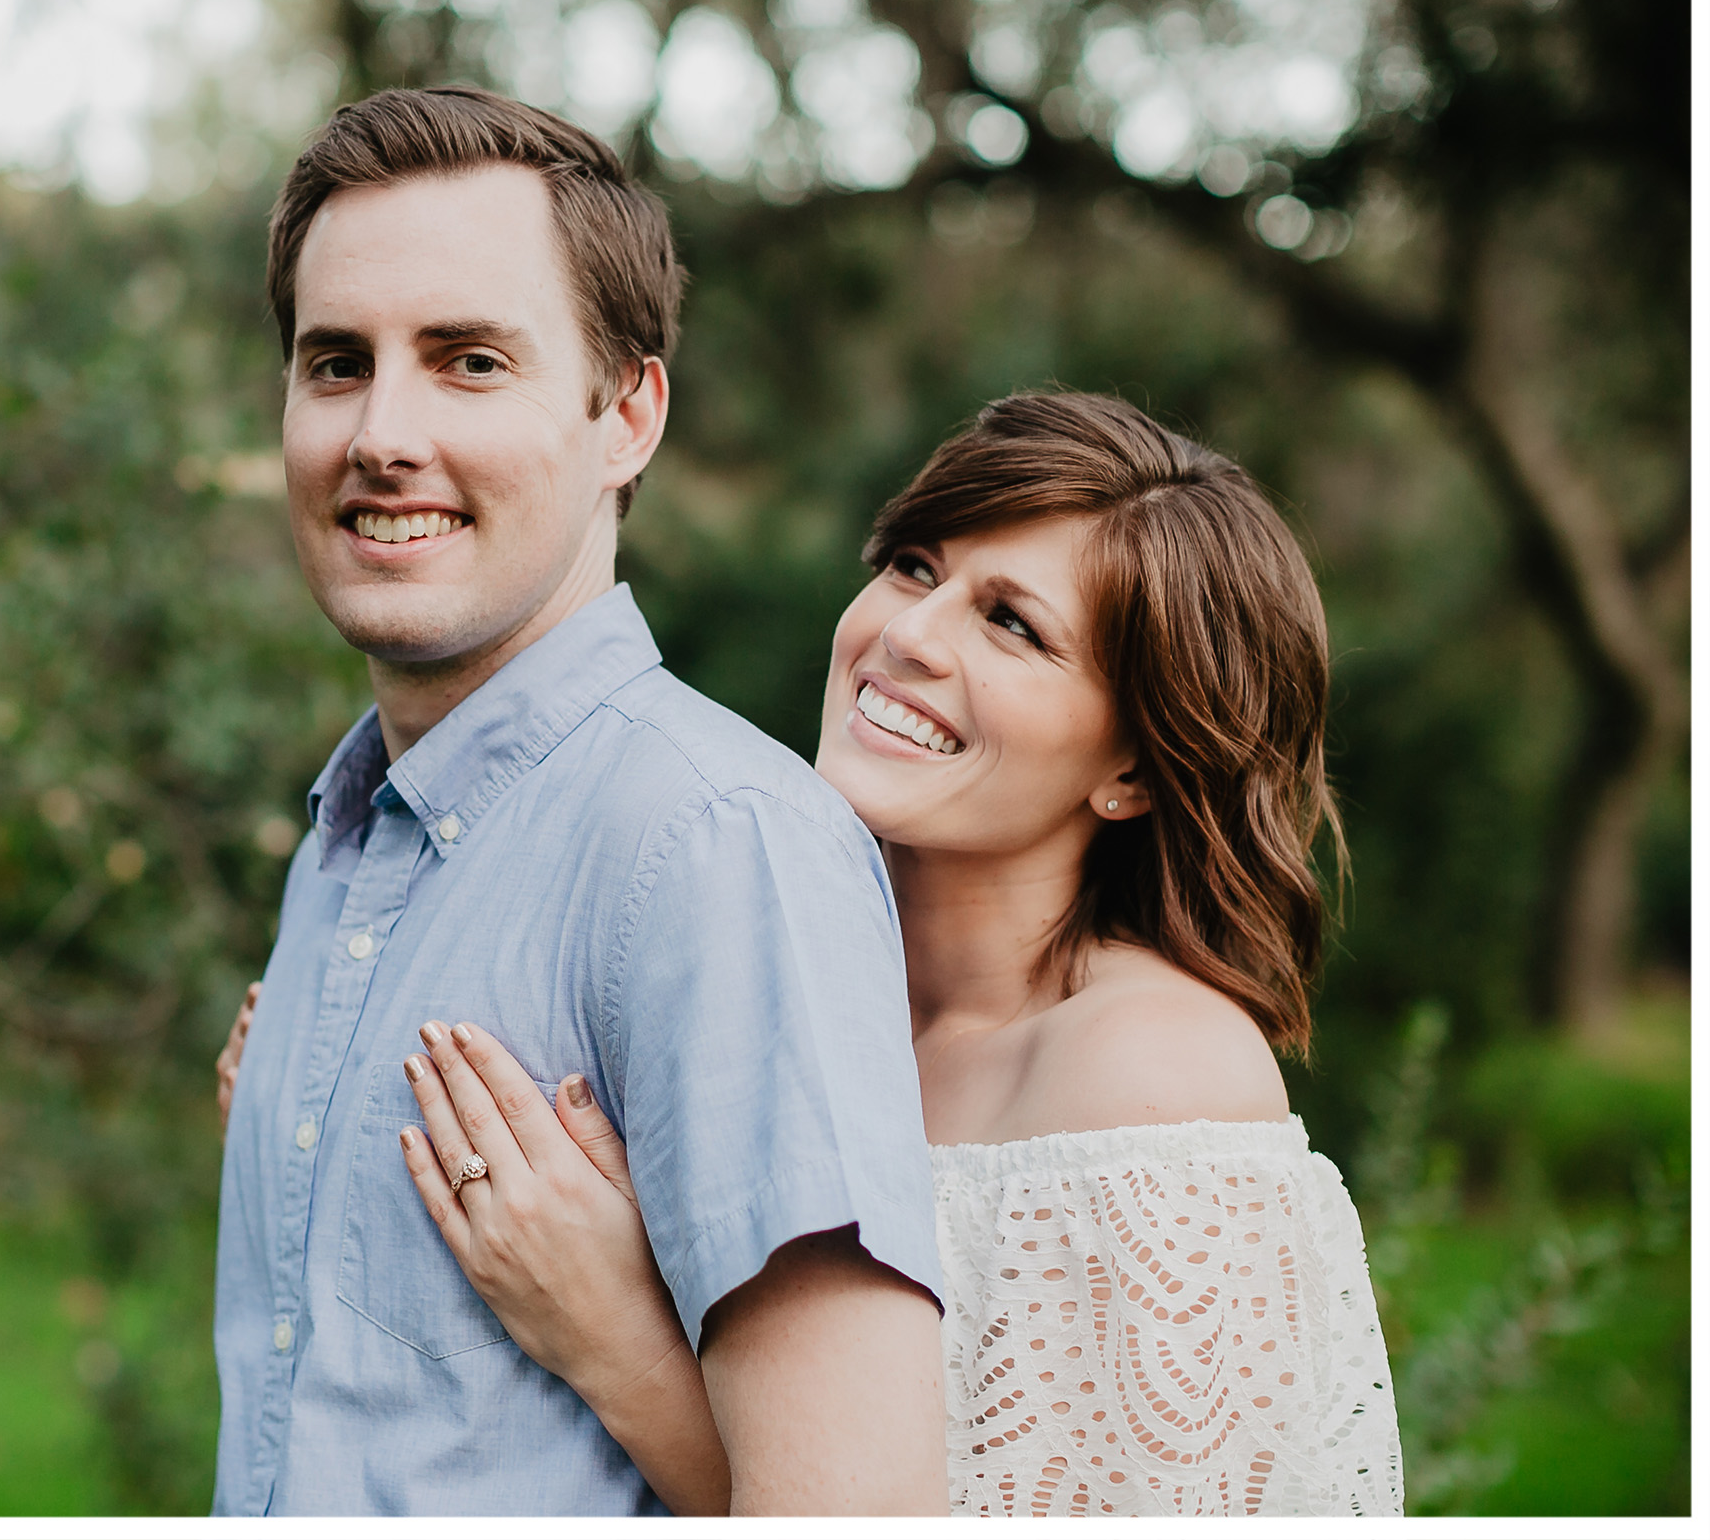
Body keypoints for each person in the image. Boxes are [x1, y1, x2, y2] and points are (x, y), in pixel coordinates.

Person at [220, 392, 1408, 1516]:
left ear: (1134, 768)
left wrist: (615, 1338)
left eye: (1011, 624)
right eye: (913, 568)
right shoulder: (756, 970)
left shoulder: (1151, 1072)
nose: (908, 636)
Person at [209, 85, 947, 1516]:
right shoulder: (349, 846)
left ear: (626, 415)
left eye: (469, 360)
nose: (382, 434)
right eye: (336, 362)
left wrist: (616, 1342)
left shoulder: (716, 845)